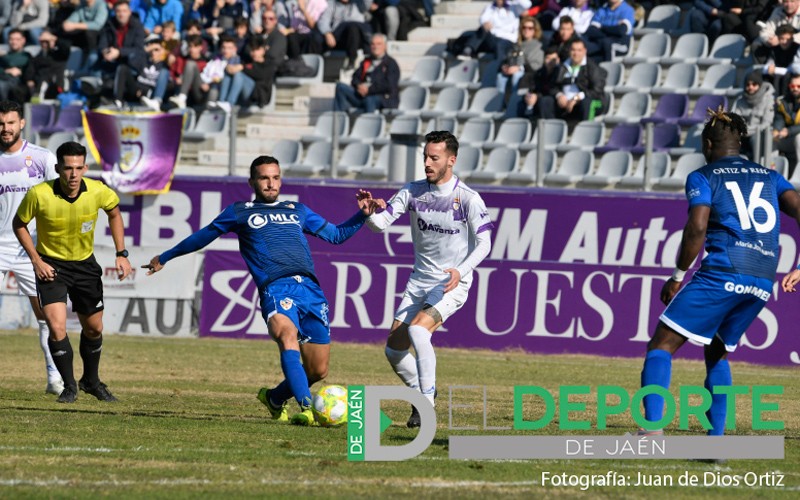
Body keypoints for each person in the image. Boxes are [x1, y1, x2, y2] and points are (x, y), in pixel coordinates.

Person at [143, 156, 383, 425]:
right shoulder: (239, 211)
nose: (271, 183)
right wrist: (166, 256)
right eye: (264, 178)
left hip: (312, 291)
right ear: (252, 182)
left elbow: (336, 235)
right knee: (287, 336)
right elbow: (204, 235)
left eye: (276, 177)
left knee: (318, 371)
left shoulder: (297, 210)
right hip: (276, 288)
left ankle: (274, 398)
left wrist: (363, 214)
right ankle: (308, 407)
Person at [638, 107, 800, 438]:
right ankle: (717, 438)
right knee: (716, 351)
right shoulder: (770, 176)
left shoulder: (704, 176)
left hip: (725, 270)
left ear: (709, 143)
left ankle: (651, 431)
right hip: (762, 278)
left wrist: (678, 274)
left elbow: (697, 226)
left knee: (661, 344)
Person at [365, 130, 494, 428]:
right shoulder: (412, 191)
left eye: (434, 158)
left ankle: (425, 405)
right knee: (394, 350)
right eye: (425, 156)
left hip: (451, 283)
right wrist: (369, 214)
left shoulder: (468, 199)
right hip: (419, 281)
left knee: (419, 333)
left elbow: (486, 243)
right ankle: (424, 394)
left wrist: (461, 271)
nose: (427, 162)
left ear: (451, 160)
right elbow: (380, 225)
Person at [12, 141, 132, 404]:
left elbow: (114, 212)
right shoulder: (39, 194)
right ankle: (68, 386)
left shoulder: (98, 191)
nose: (73, 174)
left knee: (94, 328)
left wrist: (121, 254)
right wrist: (36, 260)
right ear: (58, 169)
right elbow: (19, 224)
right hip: (51, 266)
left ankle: (91, 380)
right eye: (68, 168)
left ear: (85, 167)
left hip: (85, 266)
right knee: (56, 327)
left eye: (78, 168)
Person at [0, 100, 63, 396]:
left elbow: (59, 200)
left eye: (10, 123)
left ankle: (54, 378)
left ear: (21, 124)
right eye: (1, 124)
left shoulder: (41, 158)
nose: (5, 128)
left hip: (33, 249)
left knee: (47, 316)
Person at [537, 38, 607, 127]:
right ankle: (550, 130)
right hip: (565, 102)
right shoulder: (562, 67)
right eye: (573, 50)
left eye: (579, 50)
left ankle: (587, 131)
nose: (576, 53)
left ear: (585, 51)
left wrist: (578, 98)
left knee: (587, 103)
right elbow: (552, 86)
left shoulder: (592, 68)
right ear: (569, 51)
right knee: (546, 101)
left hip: (589, 101)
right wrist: (559, 95)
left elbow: (597, 90)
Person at [333, 33, 400, 113]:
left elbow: (389, 85)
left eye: (379, 44)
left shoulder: (391, 63)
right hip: (363, 95)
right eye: (373, 44)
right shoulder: (366, 61)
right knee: (340, 87)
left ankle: (368, 124)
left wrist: (369, 90)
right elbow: (355, 78)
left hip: (383, 98)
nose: (375, 47)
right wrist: (359, 86)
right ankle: (340, 120)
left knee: (370, 99)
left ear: (385, 46)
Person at [732, 70, 774, 160]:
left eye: (754, 84)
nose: (750, 87)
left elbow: (767, 123)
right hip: (743, 133)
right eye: (748, 85)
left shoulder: (769, 99)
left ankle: (756, 165)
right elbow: (735, 119)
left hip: (760, 134)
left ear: (760, 85)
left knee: (755, 139)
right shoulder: (740, 100)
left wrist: (750, 130)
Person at [773, 72, 800, 178]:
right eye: (792, 86)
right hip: (789, 139)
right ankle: (772, 173)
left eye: (799, 86)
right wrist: (777, 129)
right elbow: (779, 119)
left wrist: (789, 131)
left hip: (795, 137)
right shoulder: (783, 102)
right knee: (772, 139)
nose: (795, 89)